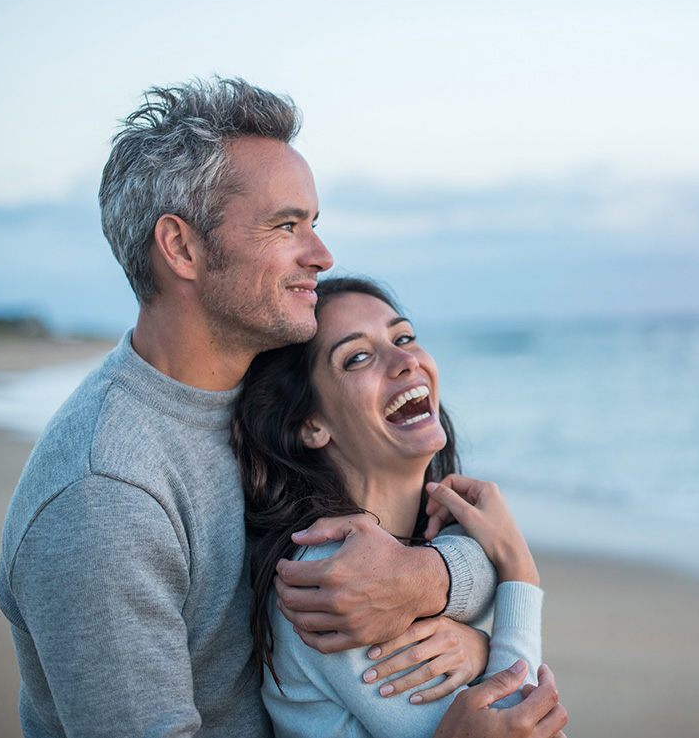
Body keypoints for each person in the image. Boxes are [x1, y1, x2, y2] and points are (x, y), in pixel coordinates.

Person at [0, 78, 564, 737]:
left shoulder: (254, 394)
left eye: (314, 224)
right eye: (287, 225)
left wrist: (436, 582)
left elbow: (394, 536)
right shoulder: (106, 497)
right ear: (181, 248)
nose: (321, 256)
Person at [233, 277, 565, 738]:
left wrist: (481, 645)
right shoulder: (333, 575)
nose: (406, 361)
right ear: (312, 425)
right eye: (358, 357)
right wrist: (519, 571)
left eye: (404, 338)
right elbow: (515, 720)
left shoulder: (405, 551)